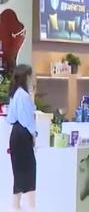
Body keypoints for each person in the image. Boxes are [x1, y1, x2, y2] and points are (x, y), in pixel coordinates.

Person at [7, 65, 37, 212]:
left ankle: (16, 206)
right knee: (28, 169)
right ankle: (31, 206)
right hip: (23, 134)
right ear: (26, 77)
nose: (33, 78)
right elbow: (28, 120)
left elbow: (11, 118)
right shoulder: (24, 95)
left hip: (15, 133)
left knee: (19, 171)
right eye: (31, 76)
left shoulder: (15, 94)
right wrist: (34, 134)